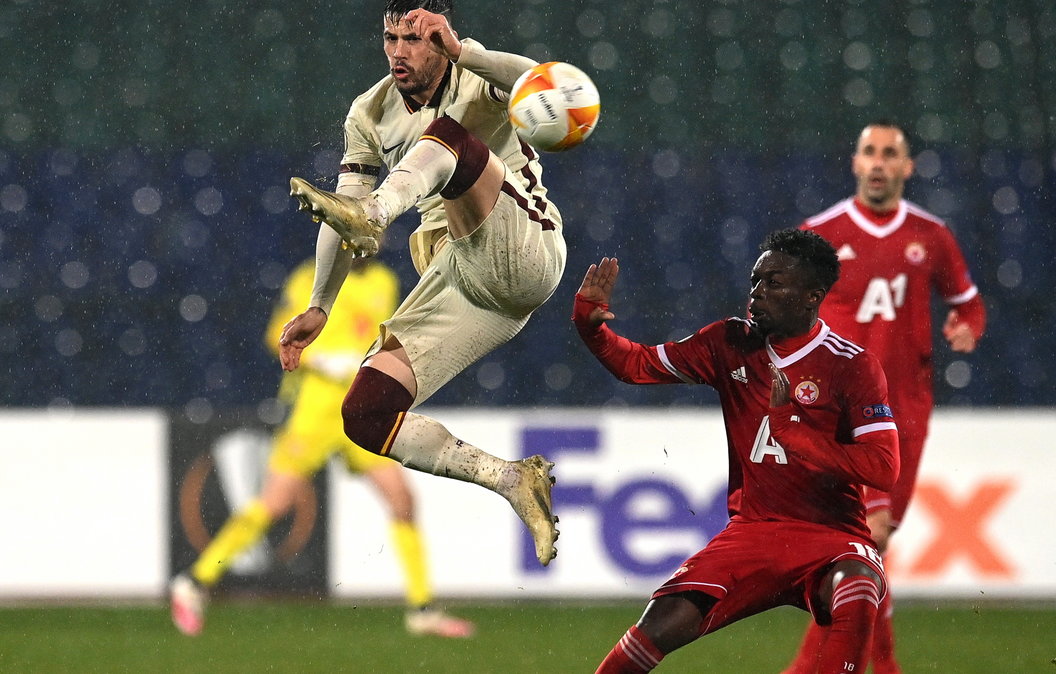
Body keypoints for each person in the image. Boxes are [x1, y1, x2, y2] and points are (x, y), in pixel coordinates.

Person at [280, 0, 566, 568]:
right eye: (390, 38)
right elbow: (343, 210)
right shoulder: (369, 111)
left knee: (447, 138)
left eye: (413, 39)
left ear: (440, 39)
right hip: (460, 278)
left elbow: (550, 90)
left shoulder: (477, 76)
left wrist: (467, 51)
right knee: (365, 413)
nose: (397, 52)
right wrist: (320, 304)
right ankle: (510, 479)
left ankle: (379, 215)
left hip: (525, 245)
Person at [575, 229, 902, 674]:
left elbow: (883, 468)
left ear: (812, 296)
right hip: (753, 531)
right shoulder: (727, 343)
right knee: (659, 624)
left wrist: (798, 434)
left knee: (859, 587)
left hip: (832, 535)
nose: (757, 293)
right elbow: (637, 365)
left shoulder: (850, 364)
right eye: (755, 281)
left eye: (774, 283)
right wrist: (592, 331)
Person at [170, 257, 474, 639]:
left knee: (402, 500)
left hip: (362, 408)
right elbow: (274, 334)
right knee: (274, 503)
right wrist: (320, 359)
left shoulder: (384, 281)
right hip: (316, 410)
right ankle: (195, 582)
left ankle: (422, 608)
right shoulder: (310, 278)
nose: (371, 240)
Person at [786, 120, 987, 673]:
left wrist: (967, 325)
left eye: (888, 154)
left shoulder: (931, 236)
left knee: (862, 548)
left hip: (904, 410)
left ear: (906, 167)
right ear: (855, 163)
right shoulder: (820, 233)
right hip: (837, 409)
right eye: (869, 152)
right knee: (864, 542)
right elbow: (781, 310)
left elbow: (967, 301)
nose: (877, 163)